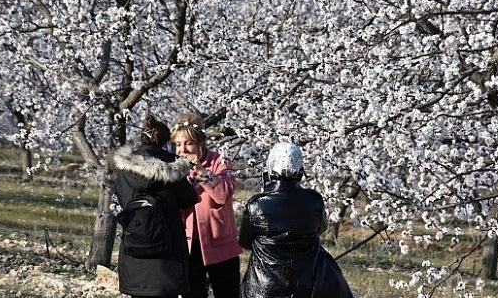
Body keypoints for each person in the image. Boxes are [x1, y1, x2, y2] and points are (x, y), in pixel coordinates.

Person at [239, 142, 354, 298]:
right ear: (300, 169)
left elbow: (245, 241)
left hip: (263, 288)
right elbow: (321, 229)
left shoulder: (256, 205)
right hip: (307, 285)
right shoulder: (314, 201)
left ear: (270, 167)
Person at [113, 114, 198, 298]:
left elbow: (120, 198)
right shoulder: (173, 167)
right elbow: (189, 199)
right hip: (168, 252)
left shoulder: (124, 169)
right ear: (166, 141)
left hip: (134, 248)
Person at [171, 112, 243, 298]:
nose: (182, 150)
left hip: (220, 243)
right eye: (178, 144)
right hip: (189, 245)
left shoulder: (220, 162)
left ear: (200, 144)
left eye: (188, 143)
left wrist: (201, 172)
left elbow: (223, 195)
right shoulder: (173, 167)